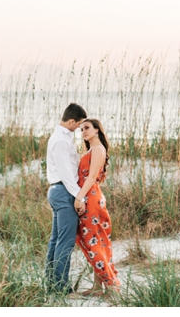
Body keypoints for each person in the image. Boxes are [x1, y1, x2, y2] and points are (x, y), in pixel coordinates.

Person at [74, 118, 121, 296]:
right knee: (95, 241)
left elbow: (91, 177)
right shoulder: (93, 149)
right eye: (81, 129)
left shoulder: (99, 149)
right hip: (90, 196)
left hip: (91, 198)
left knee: (93, 242)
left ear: (96, 130)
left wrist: (79, 197)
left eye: (86, 128)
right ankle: (96, 287)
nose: (83, 132)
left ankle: (110, 287)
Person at [45, 102, 87, 293]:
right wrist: (80, 197)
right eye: (78, 124)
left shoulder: (60, 137)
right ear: (71, 121)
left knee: (56, 240)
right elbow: (66, 174)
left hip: (58, 191)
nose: (79, 127)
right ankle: (61, 286)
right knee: (65, 242)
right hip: (63, 192)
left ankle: (51, 282)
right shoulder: (61, 141)